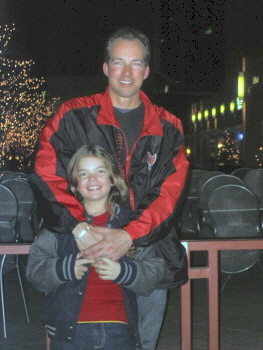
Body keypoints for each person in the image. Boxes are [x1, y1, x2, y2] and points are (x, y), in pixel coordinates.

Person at [29, 26, 189, 349]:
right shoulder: (73, 115)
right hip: (81, 243)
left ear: (146, 70)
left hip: (147, 251)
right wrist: (78, 227)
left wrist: (129, 234)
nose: (126, 72)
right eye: (118, 62)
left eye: (135, 63)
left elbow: (171, 194)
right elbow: (44, 172)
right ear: (106, 67)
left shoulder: (169, 127)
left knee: (141, 342)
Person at [26, 144, 167, 350]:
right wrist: (63, 268)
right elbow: (34, 272)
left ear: (112, 179)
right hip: (69, 334)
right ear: (75, 183)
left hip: (120, 331)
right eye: (84, 174)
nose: (92, 179)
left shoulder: (132, 225)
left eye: (100, 171)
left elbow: (154, 272)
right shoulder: (60, 225)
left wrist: (123, 272)